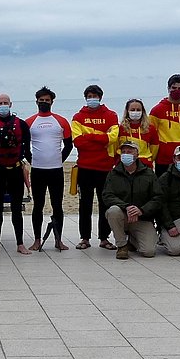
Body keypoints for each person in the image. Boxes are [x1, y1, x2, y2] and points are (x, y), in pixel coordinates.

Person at [0, 93, 32, 255]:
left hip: (15, 171)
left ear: (10, 105)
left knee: (16, 208)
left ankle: (20, 243)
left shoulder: (21, 124)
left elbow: (26, 144)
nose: (3, 105)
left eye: (5, 103)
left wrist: (20, 158)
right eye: (0, 103)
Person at [71, 85, 119, 251]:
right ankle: (84, 238)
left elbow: (113, 138)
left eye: (95, 96)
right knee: (85, 204)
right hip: (85, 167)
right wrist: (101, 138)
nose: (92, 98)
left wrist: (89, 137)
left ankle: (104, 238)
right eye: (90, 96)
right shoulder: (78, 117)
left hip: (105, 167)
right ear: (86, 98)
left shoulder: (111, 115)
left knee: (104, 203)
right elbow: (78, 142)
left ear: (100, 97)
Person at [26, 87, 73, 251]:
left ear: (52, 102)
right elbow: (25, 146)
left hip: (56, 170)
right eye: (41, 100)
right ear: (36, 101)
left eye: (47, 100)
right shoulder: (30, 122)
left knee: (57, 205)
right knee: (38, 205)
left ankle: (58, 240)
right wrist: (32, 160)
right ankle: (37, 239)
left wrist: (60, 159)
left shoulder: (61, 121)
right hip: (38, 170)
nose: (44, 102)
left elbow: (68, 144)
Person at [102, 138, 162, 260]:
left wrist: (142, 210)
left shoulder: (149, 173)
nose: (126, 154)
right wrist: (126, 207)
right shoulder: (113, 173)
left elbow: (158, 197)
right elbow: (107, 196)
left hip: (142, 218)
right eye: (124, 151)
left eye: (130, 151)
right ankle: (122, 245)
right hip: (123, 217)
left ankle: (133, 239)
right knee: (112, 211)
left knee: (149, 252)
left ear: (137, 154)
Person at [150, 74, 180, 176]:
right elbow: (151, 133)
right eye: (174, 88)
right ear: (168, 88)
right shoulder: (157, 110)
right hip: (163, 157)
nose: (176, 90)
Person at [119, 99, 160, 168]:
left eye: (138, 110)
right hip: (125, 164)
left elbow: (154, 148)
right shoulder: (121, 128)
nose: (135, 112)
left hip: (145, 164)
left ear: (142, 111)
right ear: (127, 111)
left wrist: (148, 159)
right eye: (132, 110)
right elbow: (116, 147)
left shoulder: (150, 128)